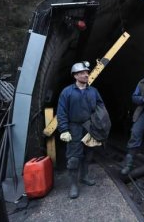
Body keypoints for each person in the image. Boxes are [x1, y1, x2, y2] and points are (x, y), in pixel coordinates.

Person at [57, 61, 106, 199]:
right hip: (74, 127)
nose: (86, 75)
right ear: (75, 75)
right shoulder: (67, 92)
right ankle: (73, 184)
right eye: (82, 73)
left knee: (88, 154)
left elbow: (101, 108)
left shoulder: (93, 91)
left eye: (86, 72)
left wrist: (99, 124)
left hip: (89, 127)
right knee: (73, 158)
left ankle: (84, 176)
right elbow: (61, 112)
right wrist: (64, 129)